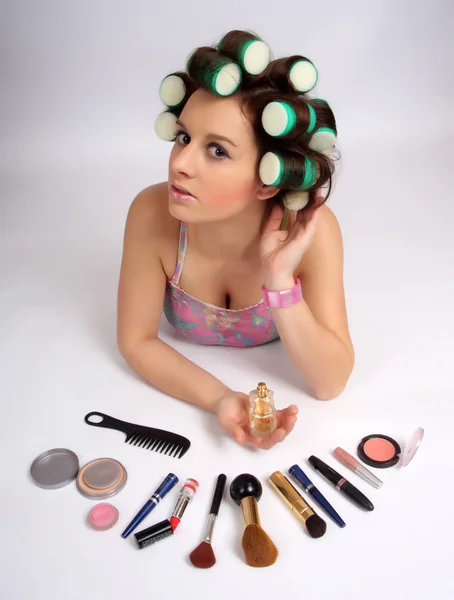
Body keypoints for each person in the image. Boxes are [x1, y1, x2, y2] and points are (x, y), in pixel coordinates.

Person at [116, 30, 355, 450]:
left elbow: (329, 383)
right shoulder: (151, 214)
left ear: (266, 181)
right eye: (184, 137)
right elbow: (136, 340)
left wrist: (280, 281)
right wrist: (220, 398)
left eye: (218, 150)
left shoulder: (312, 233)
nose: (180, 164)